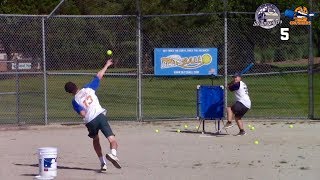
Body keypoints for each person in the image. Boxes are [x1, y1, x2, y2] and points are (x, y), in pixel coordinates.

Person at [64, 59, 121, 172]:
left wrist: (84, 112)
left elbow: (83, 113)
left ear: (69, 92)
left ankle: (103, 163)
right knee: (112, 139)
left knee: (95, 139)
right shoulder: (88, 88)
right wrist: (107, 65)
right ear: (76, 86)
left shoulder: (75, 101)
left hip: (90, 121)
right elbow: (99, 75)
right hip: (100, 116)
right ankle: (113, 154)